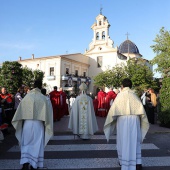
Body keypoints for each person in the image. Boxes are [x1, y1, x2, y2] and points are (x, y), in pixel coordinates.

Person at [104, 78, 149, 170]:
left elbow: (113, 111)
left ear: (122, 86)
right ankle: (137, 162)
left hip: (123, 121)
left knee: (123, 141)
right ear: (131, 86)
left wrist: (111, 122)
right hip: (134, 120)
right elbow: (142, 111)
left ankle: (124, 163)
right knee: (135, 140)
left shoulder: (120, 96)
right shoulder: (134, 96)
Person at [12, 80, 53, 170]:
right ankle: (35, 165)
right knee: (37, 144)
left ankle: (25, 163)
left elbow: (19, 112)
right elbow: (48, 114)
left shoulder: (27, 97)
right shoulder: (44, 98)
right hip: (38, 124)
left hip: (27, 124)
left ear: (33, 86)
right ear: (40, 86)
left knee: (26, 143)